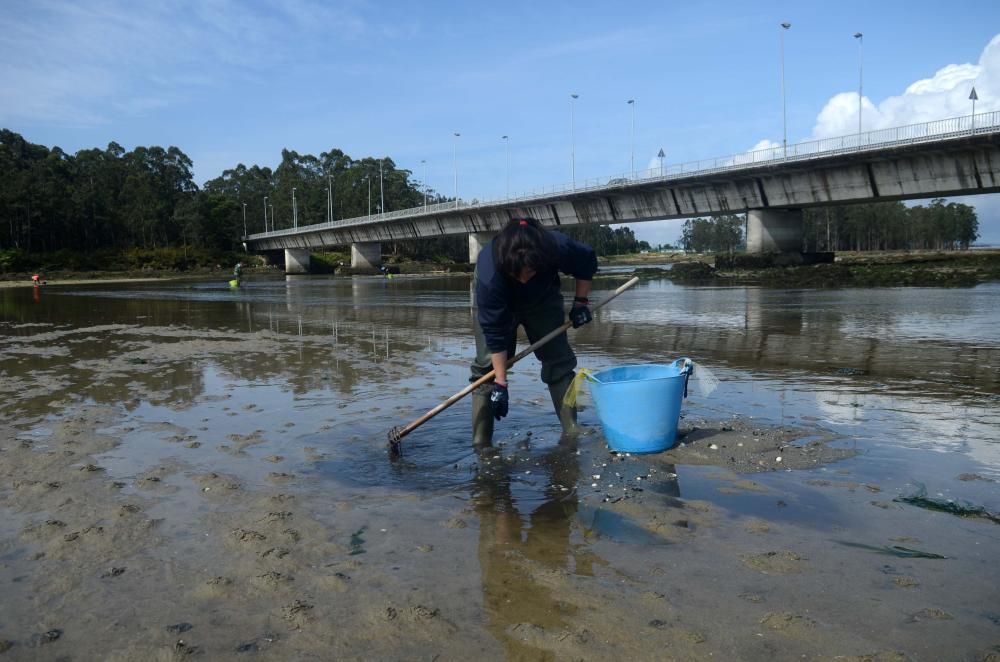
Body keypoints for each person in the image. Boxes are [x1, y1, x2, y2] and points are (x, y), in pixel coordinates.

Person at [470, 217, 597, 448]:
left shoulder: (556, 247)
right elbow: (494, 331)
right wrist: (501, 382)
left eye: (529, 272)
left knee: (559, 361)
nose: (523, 279)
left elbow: (586, 261)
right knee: (486, 371)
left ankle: (571, 428)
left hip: (543, 299)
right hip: (502, 305)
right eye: (517, 274)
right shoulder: (490, 272)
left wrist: (580, 303)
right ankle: (481, 442)